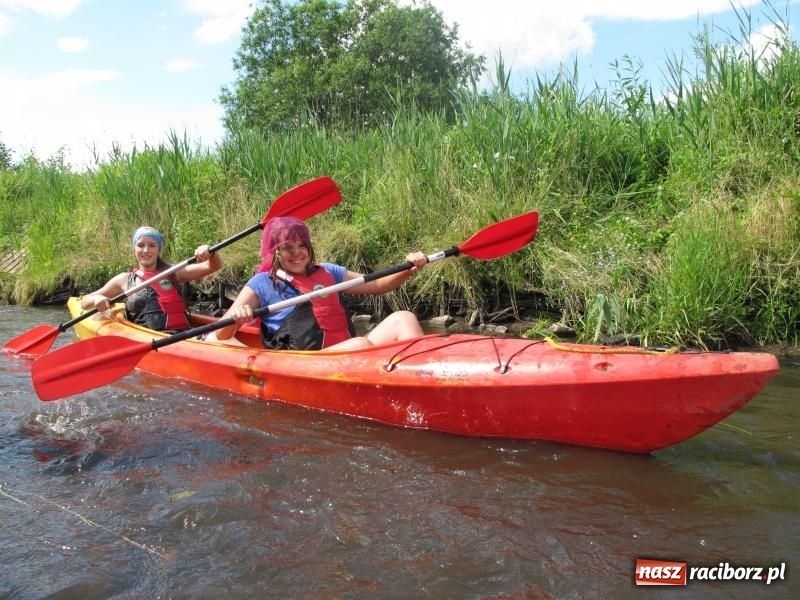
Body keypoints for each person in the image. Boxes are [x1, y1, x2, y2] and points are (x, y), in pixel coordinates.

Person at [211, 216, 427, 350]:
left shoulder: (330, 272)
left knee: (403, 319)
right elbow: (221, 335)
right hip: (303, 363)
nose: (297, 253)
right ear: (276, 253)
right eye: (288, 248)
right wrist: (237, 318)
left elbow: (379, 285)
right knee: (359, 344)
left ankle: (424, 376)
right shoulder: (261, 283)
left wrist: (409, 267)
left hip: (347, 353)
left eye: (301, 246)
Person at [80, 225, 223, 332]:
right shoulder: (123, 280)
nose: (146, 250)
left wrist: (211, 254)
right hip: (149, 338)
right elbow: (85, 302)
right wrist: (96, 299)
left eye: (152, 245)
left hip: (183, 334)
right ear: (134, 249)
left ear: (158, 249)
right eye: (140, 245)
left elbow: (213, 266)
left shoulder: (174, 273)